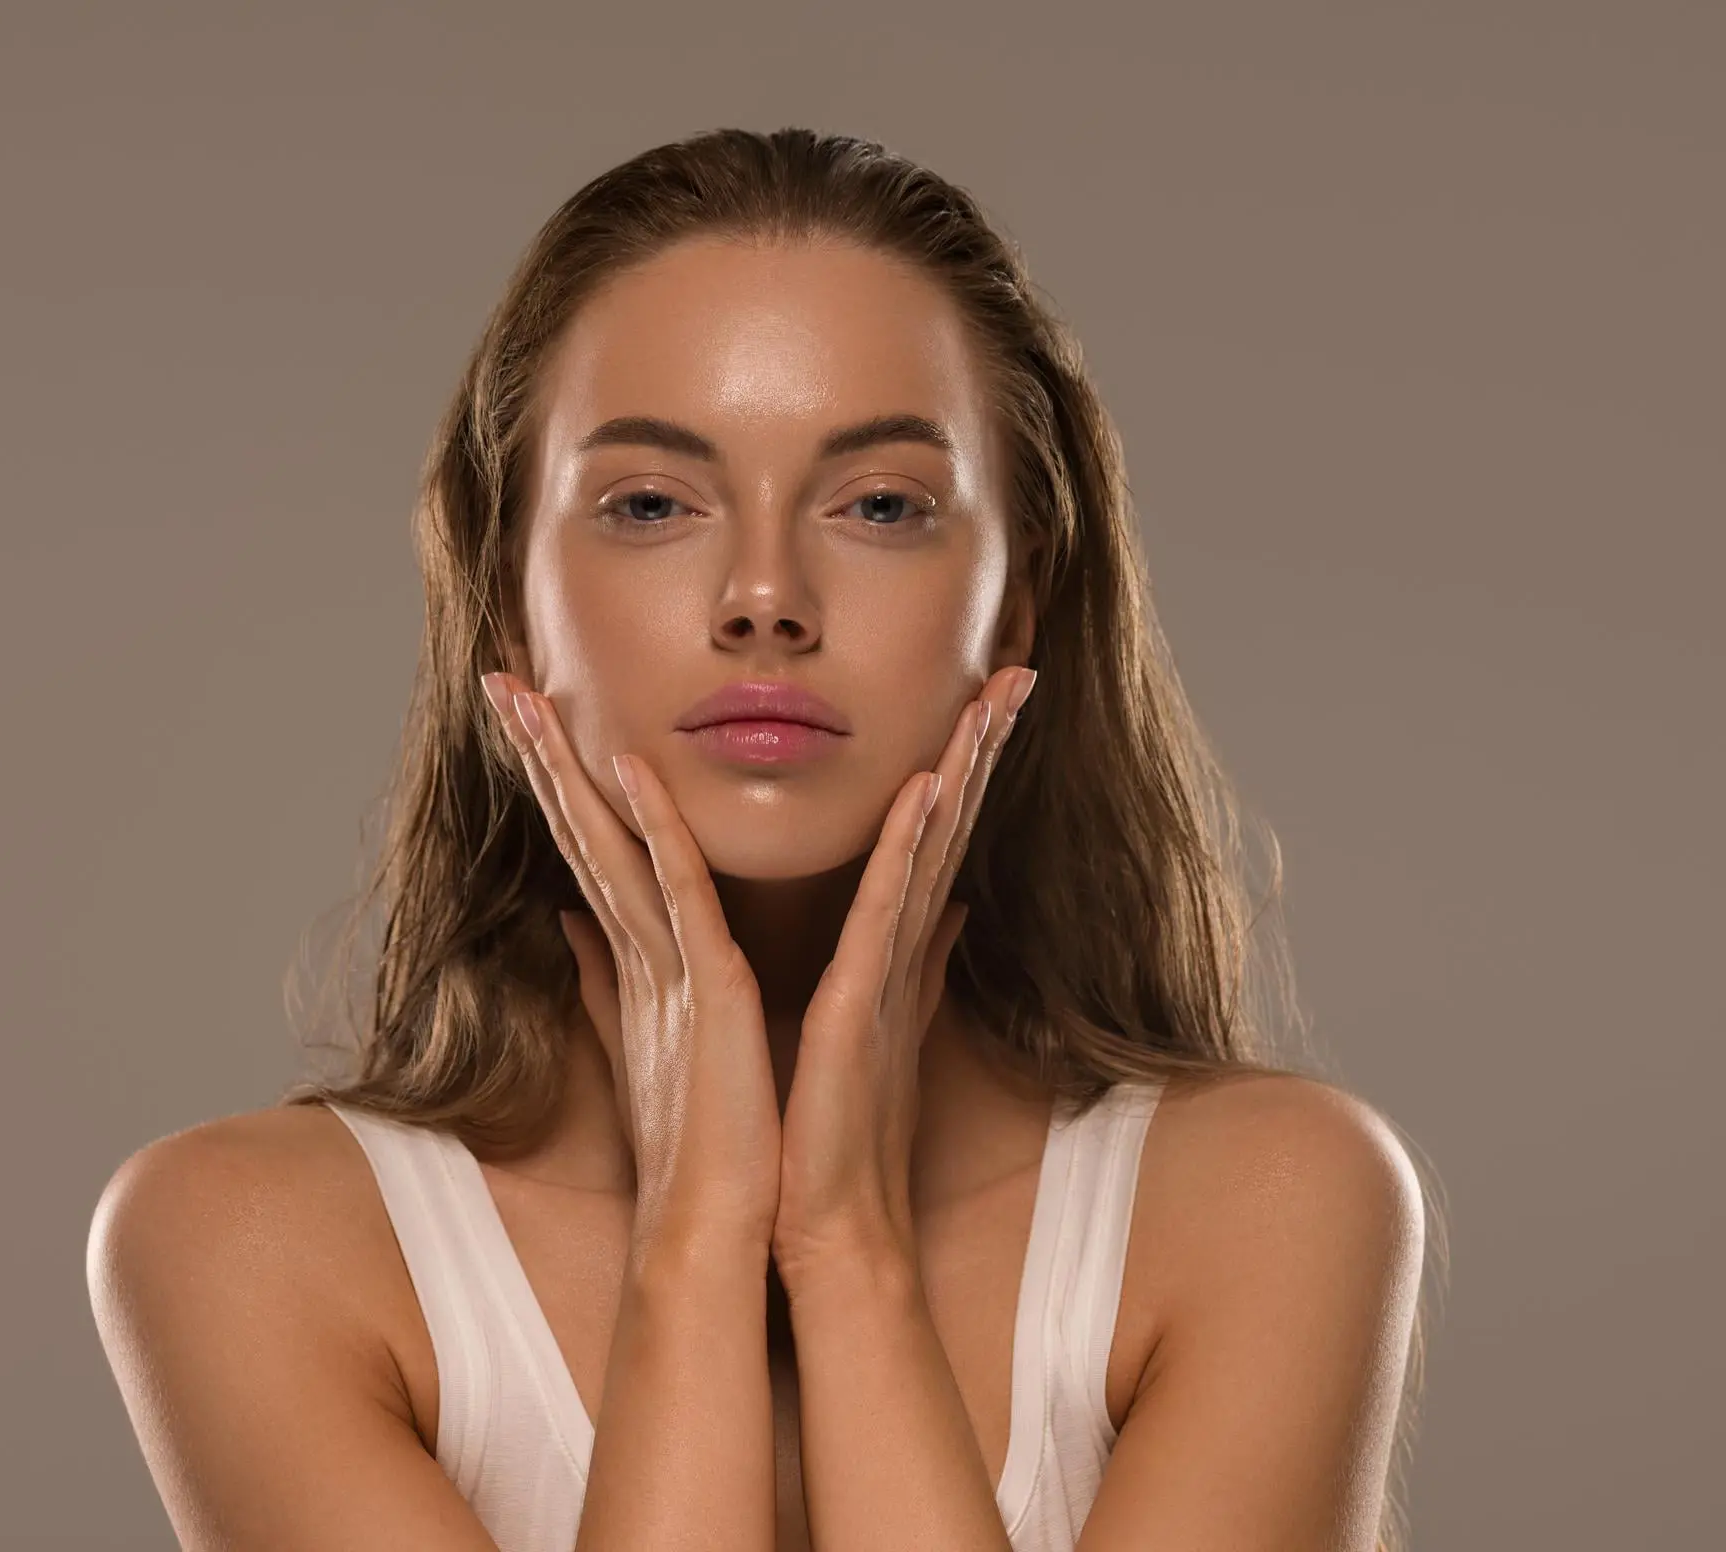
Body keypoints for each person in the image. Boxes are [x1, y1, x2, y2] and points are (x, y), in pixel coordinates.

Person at [87, 127, 1434, 1552]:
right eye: (654, 505)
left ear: (1019, 601)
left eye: (881, 506)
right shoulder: (248, 1243)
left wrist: (846, 1245)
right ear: (507, 603)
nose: (767, 597)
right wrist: (697, 1237)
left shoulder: (1273, 1201)